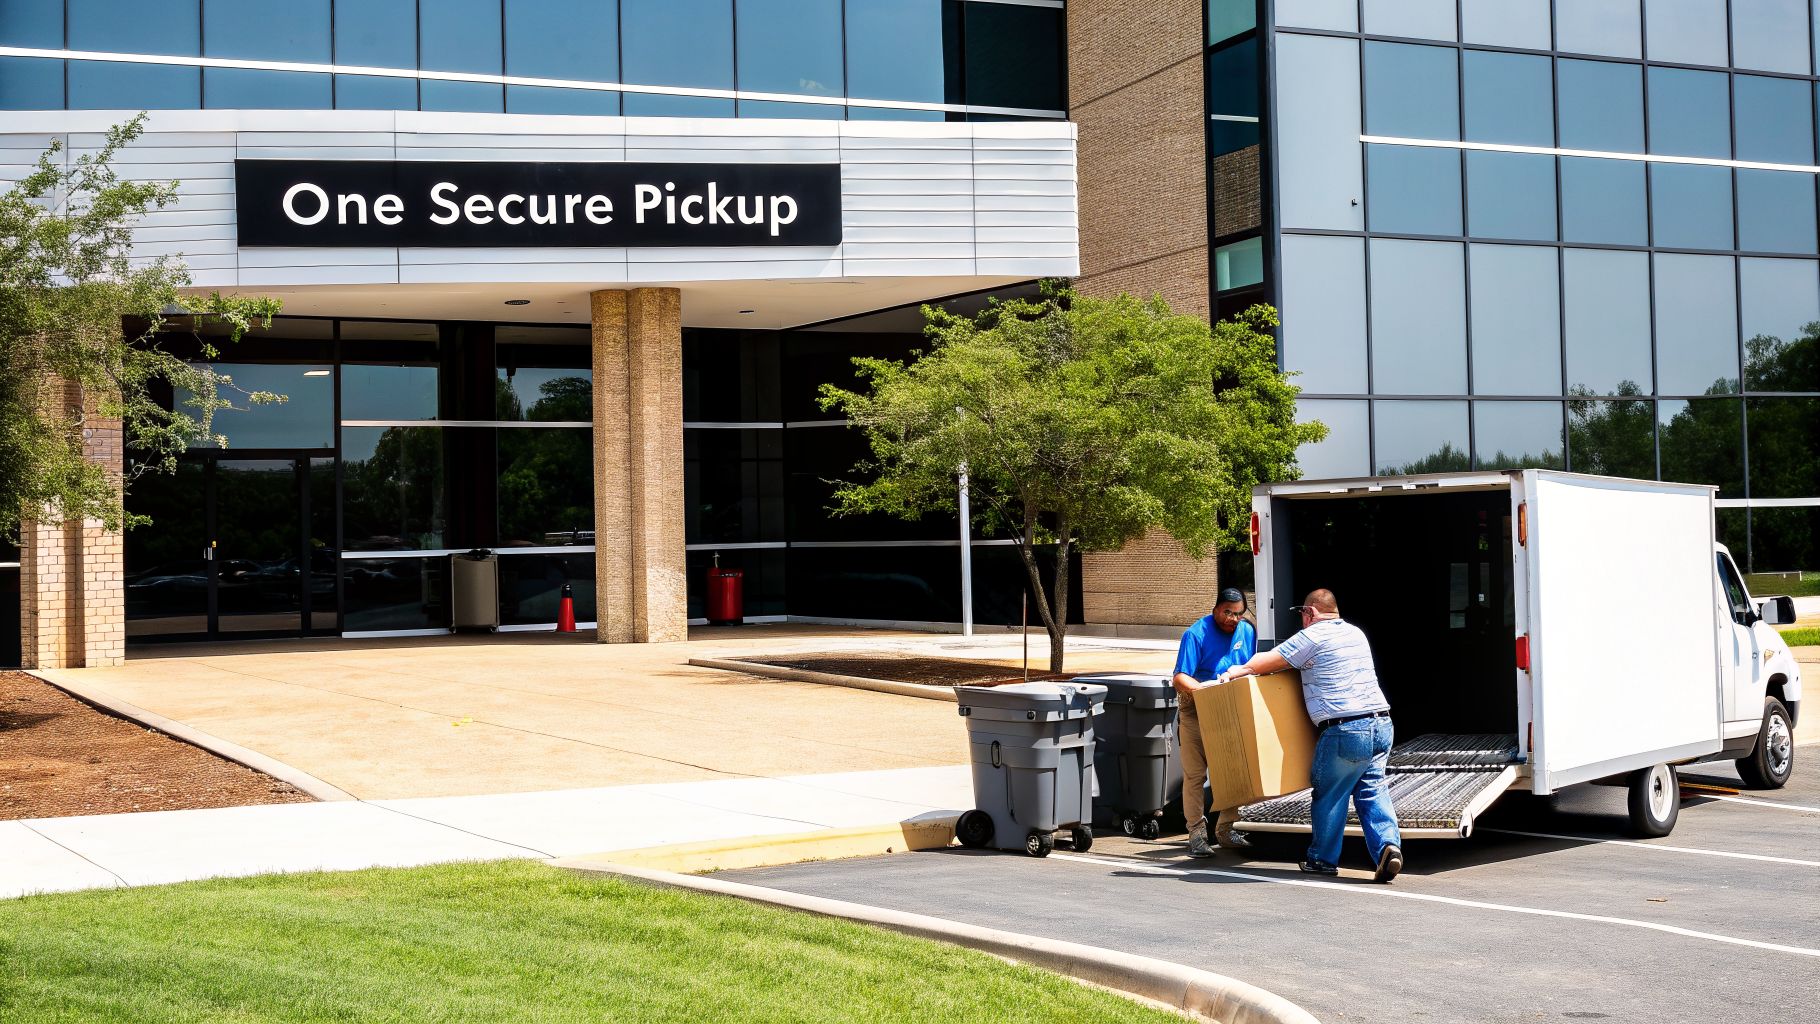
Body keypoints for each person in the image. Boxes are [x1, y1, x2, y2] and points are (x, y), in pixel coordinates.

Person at [1215, 588, 1403, 883]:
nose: (1301, 621)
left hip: (1346, 729)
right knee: (1372, 789)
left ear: (1311, 612)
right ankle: (1388, 846)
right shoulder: (1356, 634)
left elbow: (1271, 659)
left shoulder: (1314, 635)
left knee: (1330, 794)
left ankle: (1323, 860)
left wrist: (1238, 670)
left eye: (1302, 614)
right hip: (1381, 723)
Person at [1172, 587, 1256, 857]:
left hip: (1228, 705)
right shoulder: (1196, 634)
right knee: (1196, 774)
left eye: (1238, 614)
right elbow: (1179, 678)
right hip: (1196, 706)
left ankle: (1225, 828)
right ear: (1216, 609)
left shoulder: (1247, 632)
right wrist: (1205, 693)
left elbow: (1251, 665)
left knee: (1231, 770)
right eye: (1227, 612)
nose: (1232, 619)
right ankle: (1196, 833)